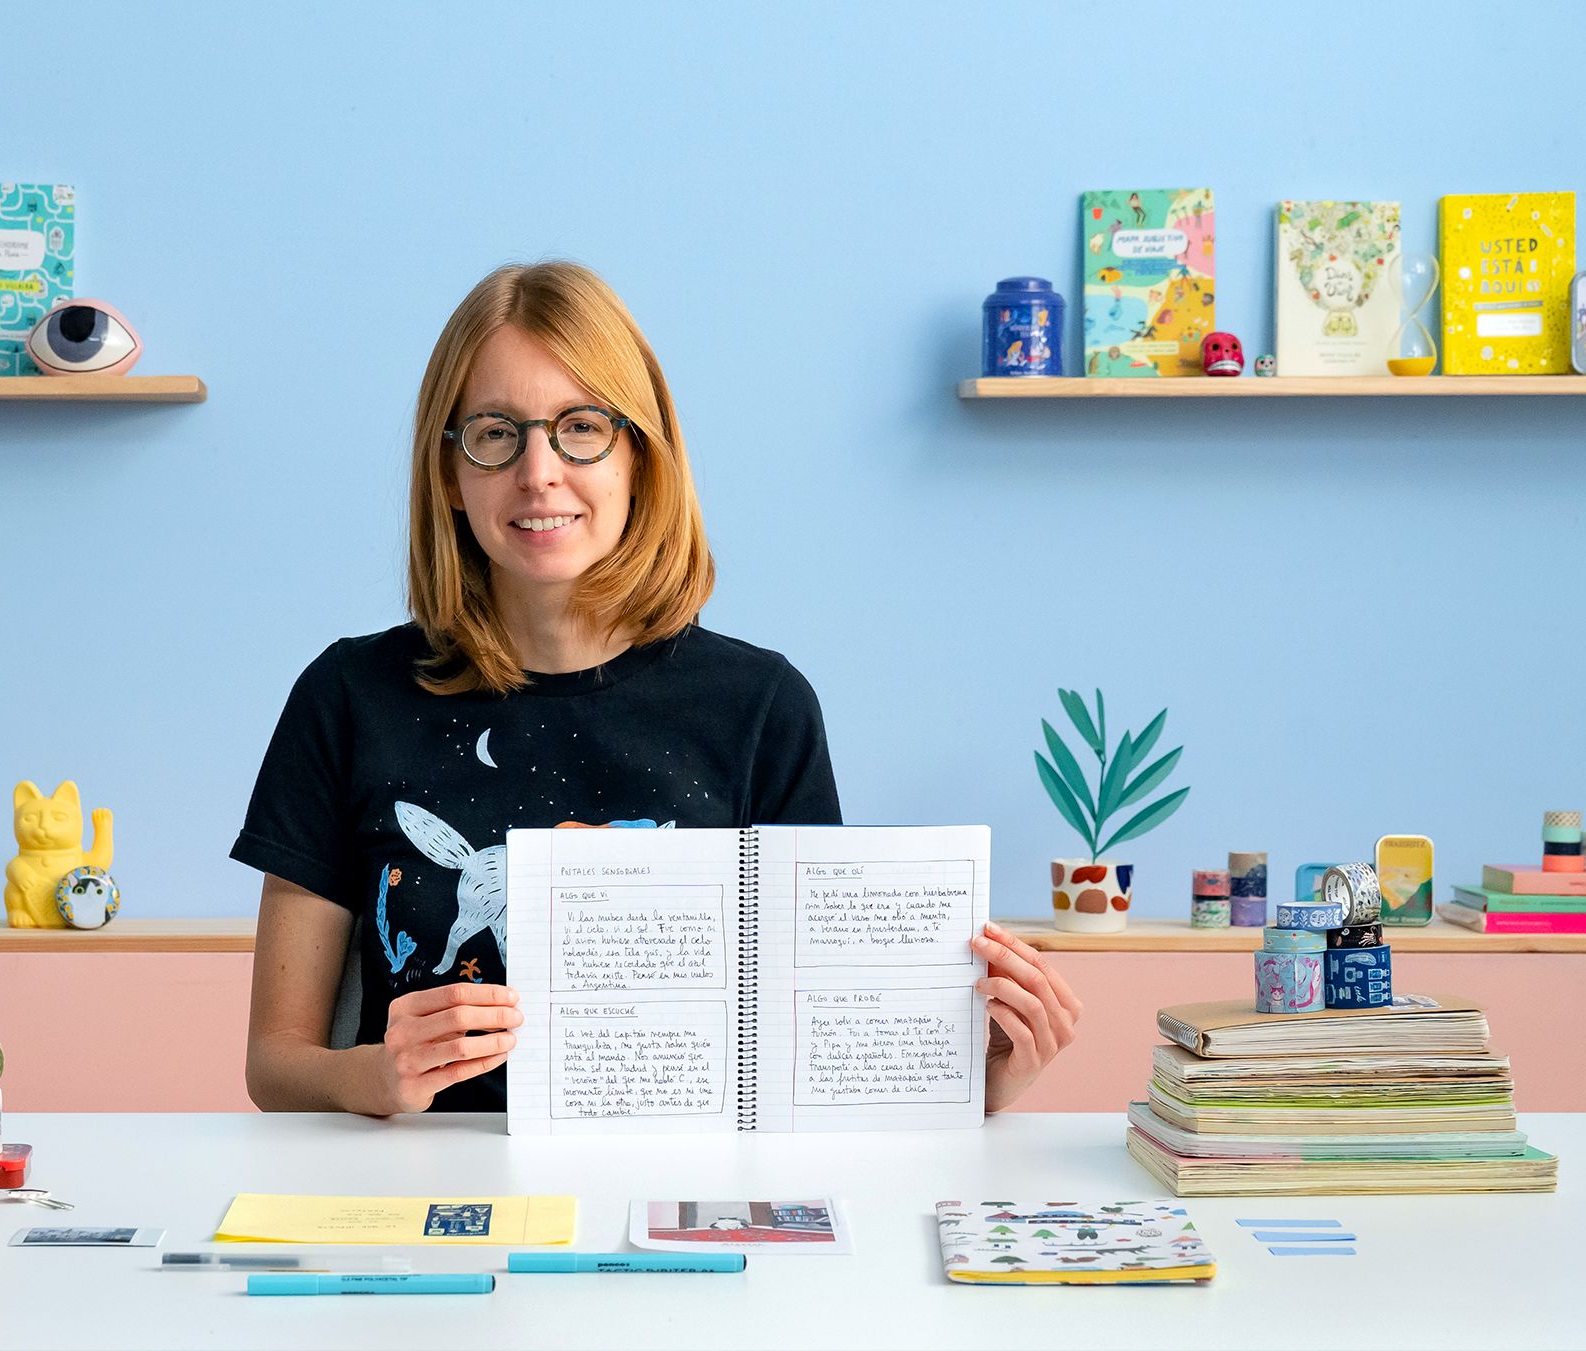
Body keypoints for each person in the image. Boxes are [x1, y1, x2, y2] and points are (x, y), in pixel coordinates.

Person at [235, 262, 1080, 1118]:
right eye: (494, 433)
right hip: (420, 1200)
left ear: (640, 453)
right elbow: (276, 1064)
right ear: (449, 472)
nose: (538, 472)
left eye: (582, 428)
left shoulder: (761, 707)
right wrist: (367, 1076)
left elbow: (807, 1059)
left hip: (683, 1195)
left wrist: (984, 1081)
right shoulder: (347, 696)